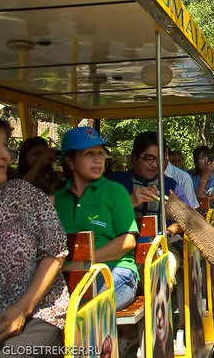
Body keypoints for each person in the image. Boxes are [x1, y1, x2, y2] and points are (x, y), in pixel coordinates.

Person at [0, 117, 70, 357]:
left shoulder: (26, 195)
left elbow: (55, 253)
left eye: (5, 145)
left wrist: (21, 310)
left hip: (36, 313)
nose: (5, 155)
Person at [54, 126, 139, 311]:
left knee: (83, 305)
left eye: (100, 153)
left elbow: (128, 241)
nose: (97, 159)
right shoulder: (58, 199)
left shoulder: (115, 192)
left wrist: (83, 263)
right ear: (70, 160)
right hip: (69, 274)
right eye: (88, 154)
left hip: (115, 271)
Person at [112, 132, 191, 234]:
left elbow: (188, 220)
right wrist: (130, 202)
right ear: (134, 157)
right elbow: (101, 219)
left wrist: (168, 232)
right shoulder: (116, 183)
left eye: (159, 159)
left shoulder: (171, 186)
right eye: (149, 158)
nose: (154, 164)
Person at [191, 146, 214, 235]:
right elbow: (197, 202)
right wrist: (205, 175)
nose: (206, 161)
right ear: (196, 163)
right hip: (198, 220)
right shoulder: (192, 179)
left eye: (208, 158)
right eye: (202, 158)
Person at [164, 145, 199, 211]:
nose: (153, 163)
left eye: (178, 161)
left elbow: (191, 211)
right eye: (174, 161)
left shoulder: (184, 178)